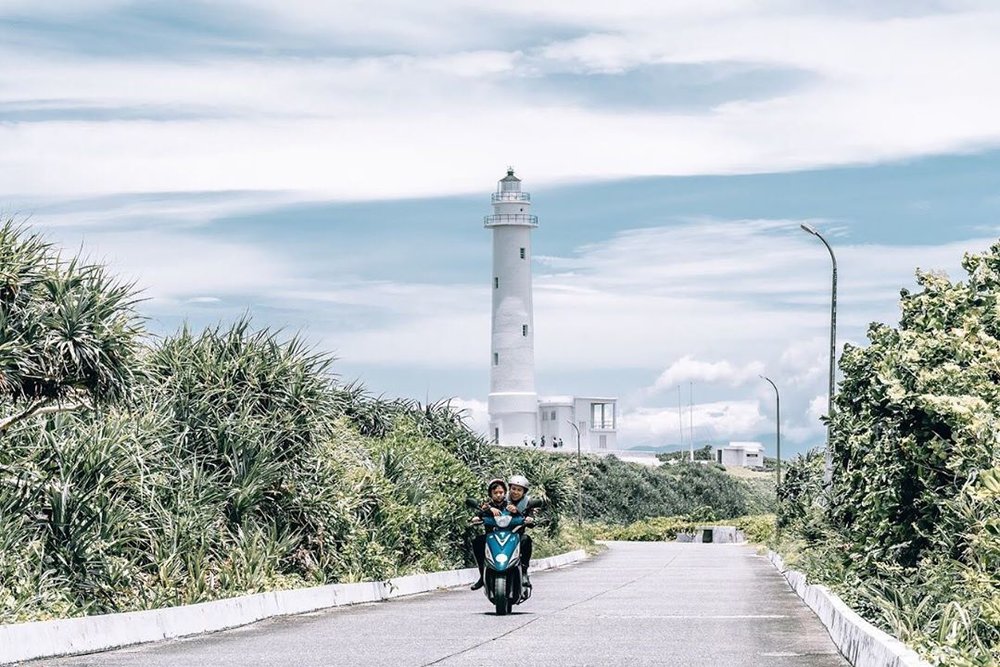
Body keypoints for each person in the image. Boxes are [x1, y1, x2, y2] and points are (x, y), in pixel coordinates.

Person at [505, 474, 545, 588]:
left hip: (516, 535)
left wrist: (530, 519)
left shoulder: (527, 503)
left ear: (524, 492)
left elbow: (532, 518)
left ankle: (524, 571)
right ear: (509, 488)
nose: (515, 492)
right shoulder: (503, 499)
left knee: (526, 540)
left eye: (519, 490)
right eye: (513, 489)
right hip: (500, 533)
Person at [468, 478, 508, 591]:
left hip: (508, 536)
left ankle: (523, 573)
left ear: (505, 493)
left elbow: (520, 514)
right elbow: (479, 515)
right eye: (495, 493)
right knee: (477, 541)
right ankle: (482, 575)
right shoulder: (486, 506)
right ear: (490, 494)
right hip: (491, 537)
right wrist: (478, 517)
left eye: (501, 492)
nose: (499, 495)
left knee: (523, 541)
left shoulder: (510, 506)